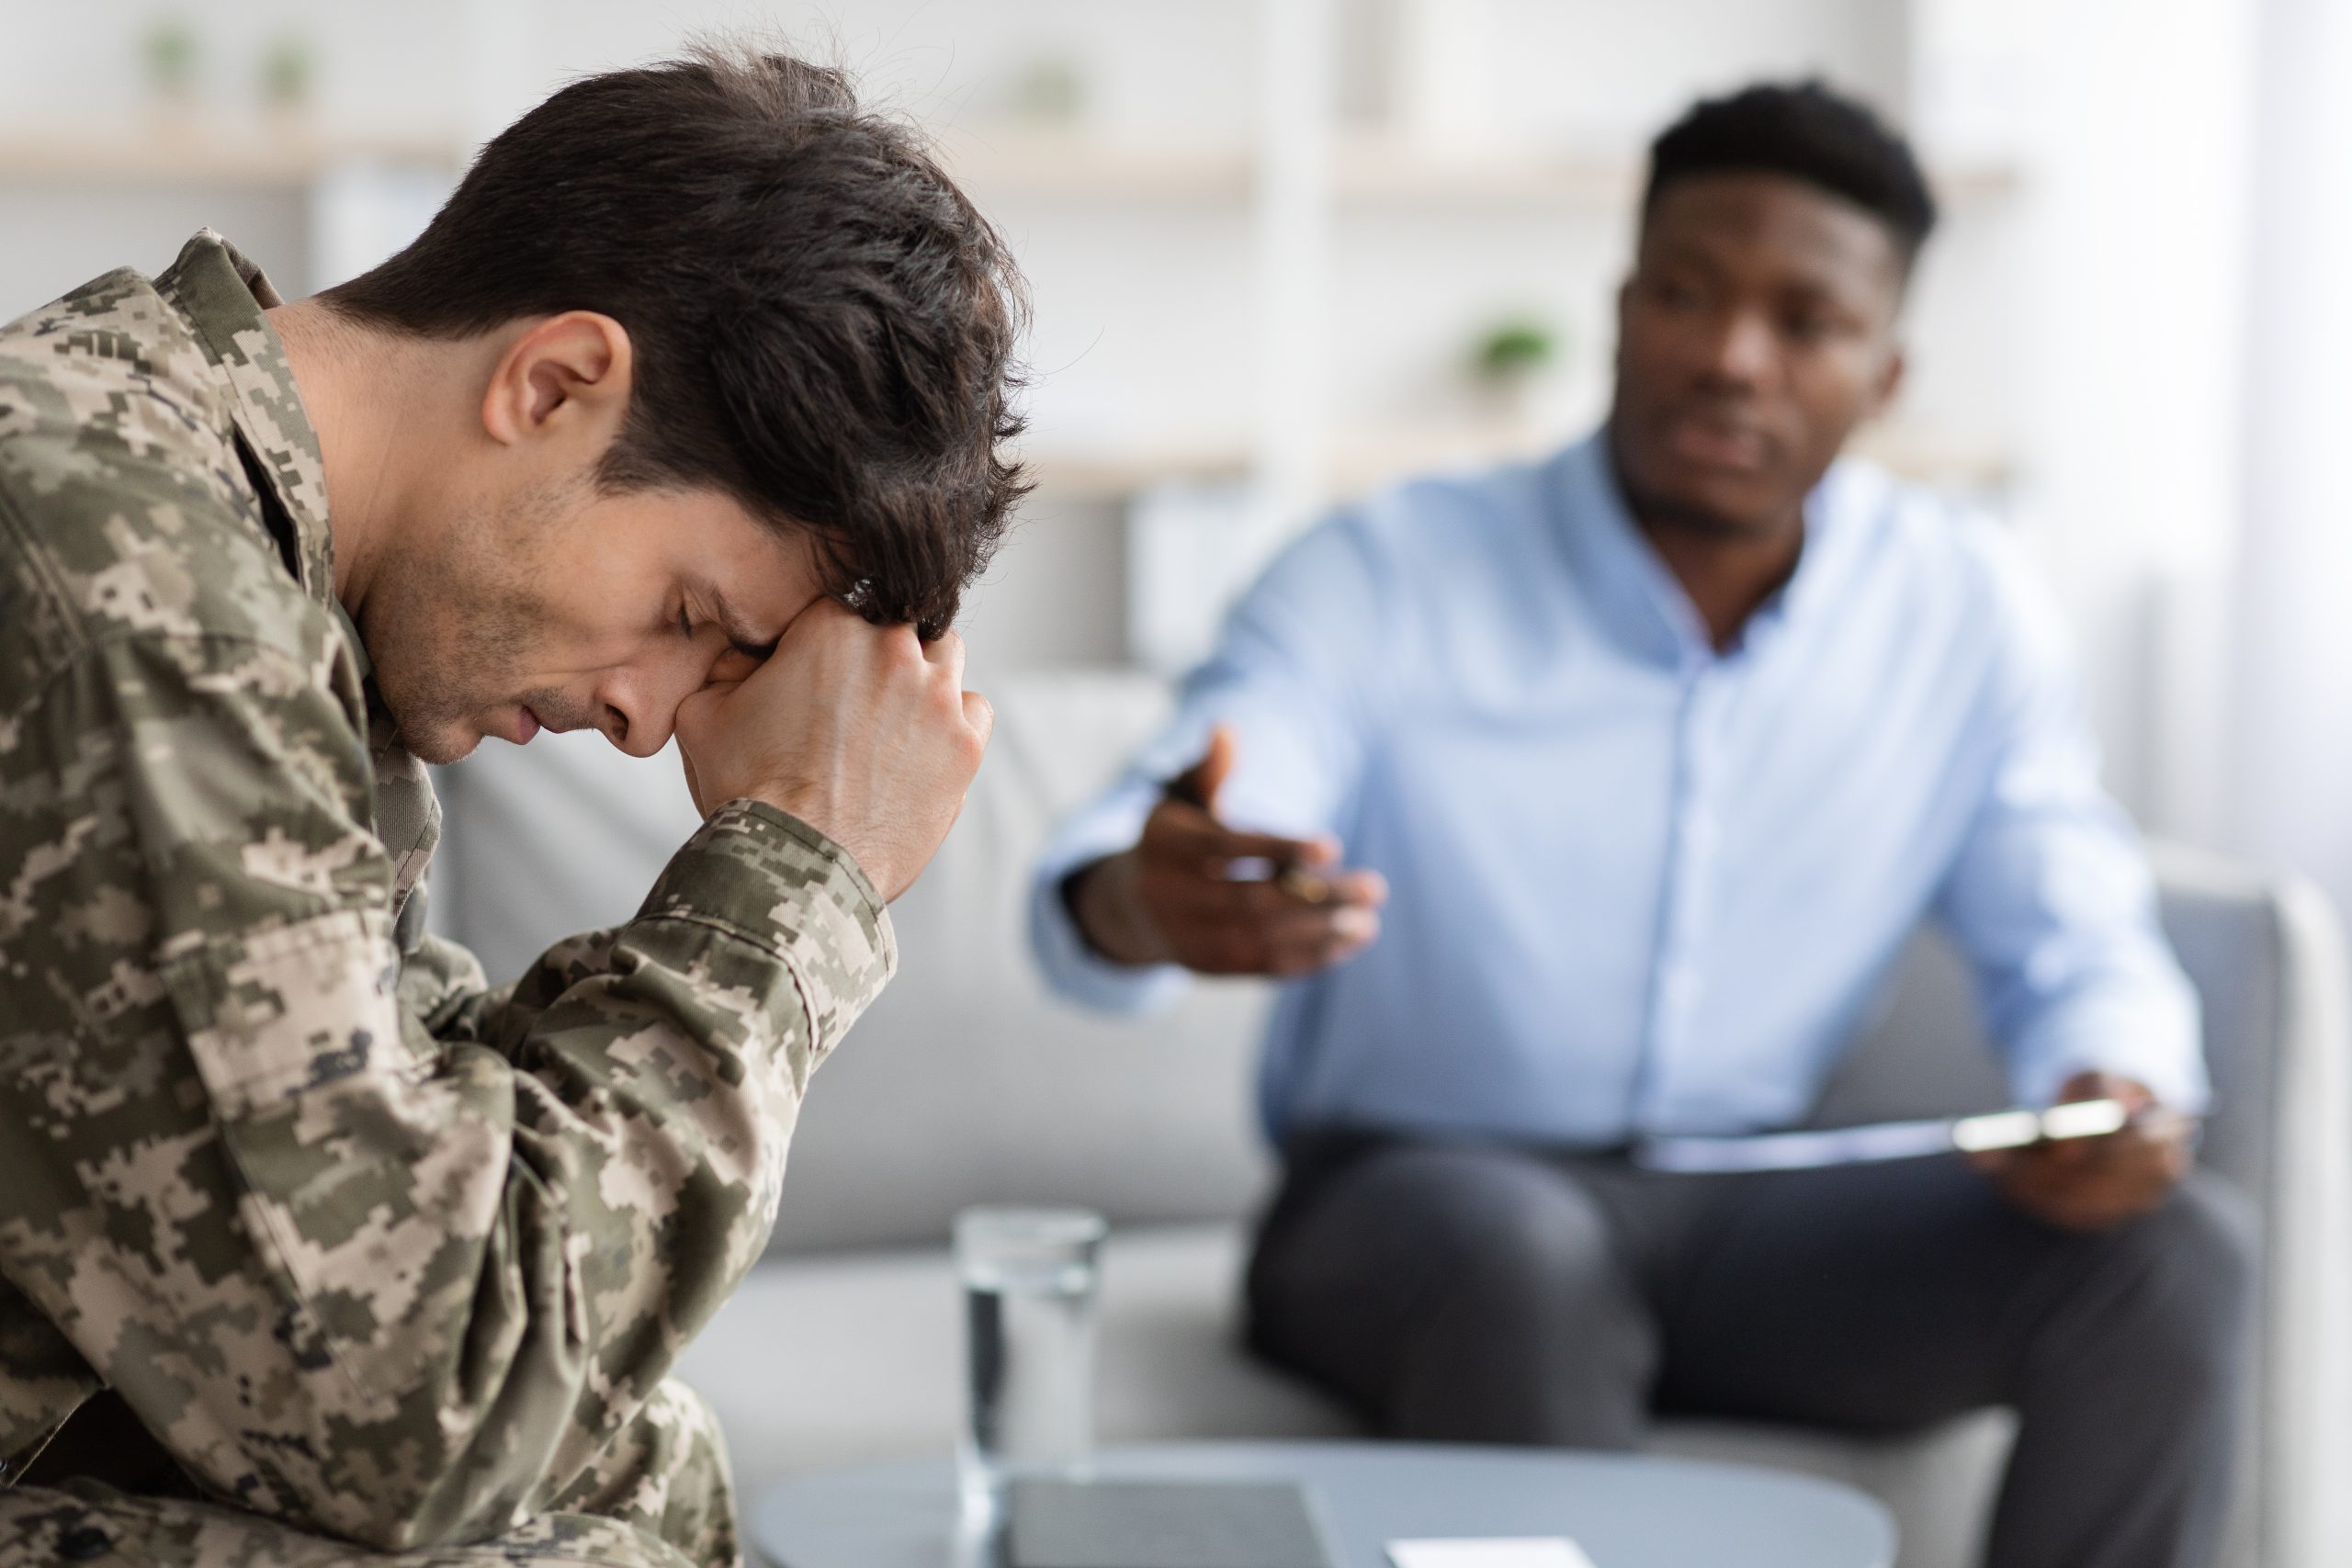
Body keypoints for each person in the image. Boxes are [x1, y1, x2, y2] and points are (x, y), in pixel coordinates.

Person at [1033, 81, 2250, 1568]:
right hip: (1413, 1201)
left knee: (2174, 1257)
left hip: (1754, 1217)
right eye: (1687, 294)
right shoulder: (1390, 567)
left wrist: (2116, 1077)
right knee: (1521, 1261)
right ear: (1620, 309)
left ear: (1885, 374)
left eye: (1804, 323)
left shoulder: (1962, 611)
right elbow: (1219, 780)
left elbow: (2073, 924)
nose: (1731, 358)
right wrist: (1153, 896)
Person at [0, 46, 1021, 1568]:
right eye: (687, 612)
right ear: (556, 384)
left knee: (641, 1464)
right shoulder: (139, 585)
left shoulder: (259, 556)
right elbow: (416, 1402)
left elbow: (406, 1198)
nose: (644, 724)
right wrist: (796, 878)